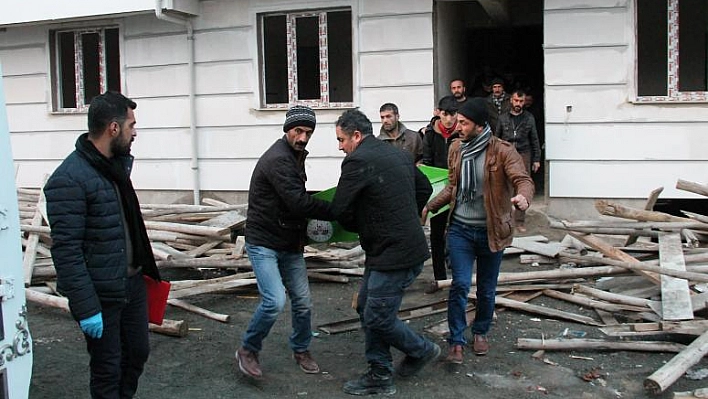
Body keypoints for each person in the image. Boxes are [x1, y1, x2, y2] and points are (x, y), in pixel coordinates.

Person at [44, 91, 161, 398]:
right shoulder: (69, 179)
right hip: (102, 297)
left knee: (137, 354)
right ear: (113, 128)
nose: (135, 132)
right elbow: (66, 251)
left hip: (131, 286)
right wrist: (86, 308)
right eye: (131, 125)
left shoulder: (115, 167)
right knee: (108, 369)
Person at [331, 109, 440, 396]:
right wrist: (404, 215)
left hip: (394, 254)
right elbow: (425, 187)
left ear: (356, 136)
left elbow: (341, 210)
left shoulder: (357, 161)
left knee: (377, 317)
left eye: (341, 139)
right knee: (366, 308)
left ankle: (419, 352)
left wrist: (366, 225)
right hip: (399, 249)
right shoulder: (398, 153)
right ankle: (380, 368)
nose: (340, 146)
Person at [422, 98, 533, 364]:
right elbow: (453, 186)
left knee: (486, 289)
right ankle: (456, 340)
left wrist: (523, 198)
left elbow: (523, 179)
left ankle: (481, 330)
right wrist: (430, 206)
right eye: (458, 121)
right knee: (459, 284)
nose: (457, 126)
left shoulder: (503, 151)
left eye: (463, 122)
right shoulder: (457, 149)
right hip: (460, 228)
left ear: (480, 125)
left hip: (491, 231)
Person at [236, 105, 334, 379]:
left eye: (308, 132)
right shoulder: (279, 159)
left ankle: (301, 349)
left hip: (288, 242)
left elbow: (295, 198)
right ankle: (247, 349)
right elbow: (297, 201)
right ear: (287, 130)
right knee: (275, 300)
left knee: (303, 301)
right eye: (298, 130)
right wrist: (336, 209)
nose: (303, 137)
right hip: (264, 241)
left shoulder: (294, 155)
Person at [421, 96, 459, 286]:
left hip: (459, 189)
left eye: (453, 114)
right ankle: (439, 278)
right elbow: (427, 162)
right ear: (439, 113)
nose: (449, 119)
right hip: (438, 189)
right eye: (445, 114)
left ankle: (459, 276)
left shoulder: (463, 133)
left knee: (458, 233)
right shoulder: (430, 134)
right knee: (436, 235)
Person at [494, 89, 541, 233]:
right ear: (511, 101)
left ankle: (519, 221)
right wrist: (494, 157)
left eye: (521, 101)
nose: (518, 104)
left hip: (523, 154)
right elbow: (496, 138)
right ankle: (505, 219)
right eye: (516, 101)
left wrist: (537, 159)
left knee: (523, 187)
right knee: (504, 187)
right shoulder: (502, 118)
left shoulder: (529, 118)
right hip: (506, 153)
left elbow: (534, 138)